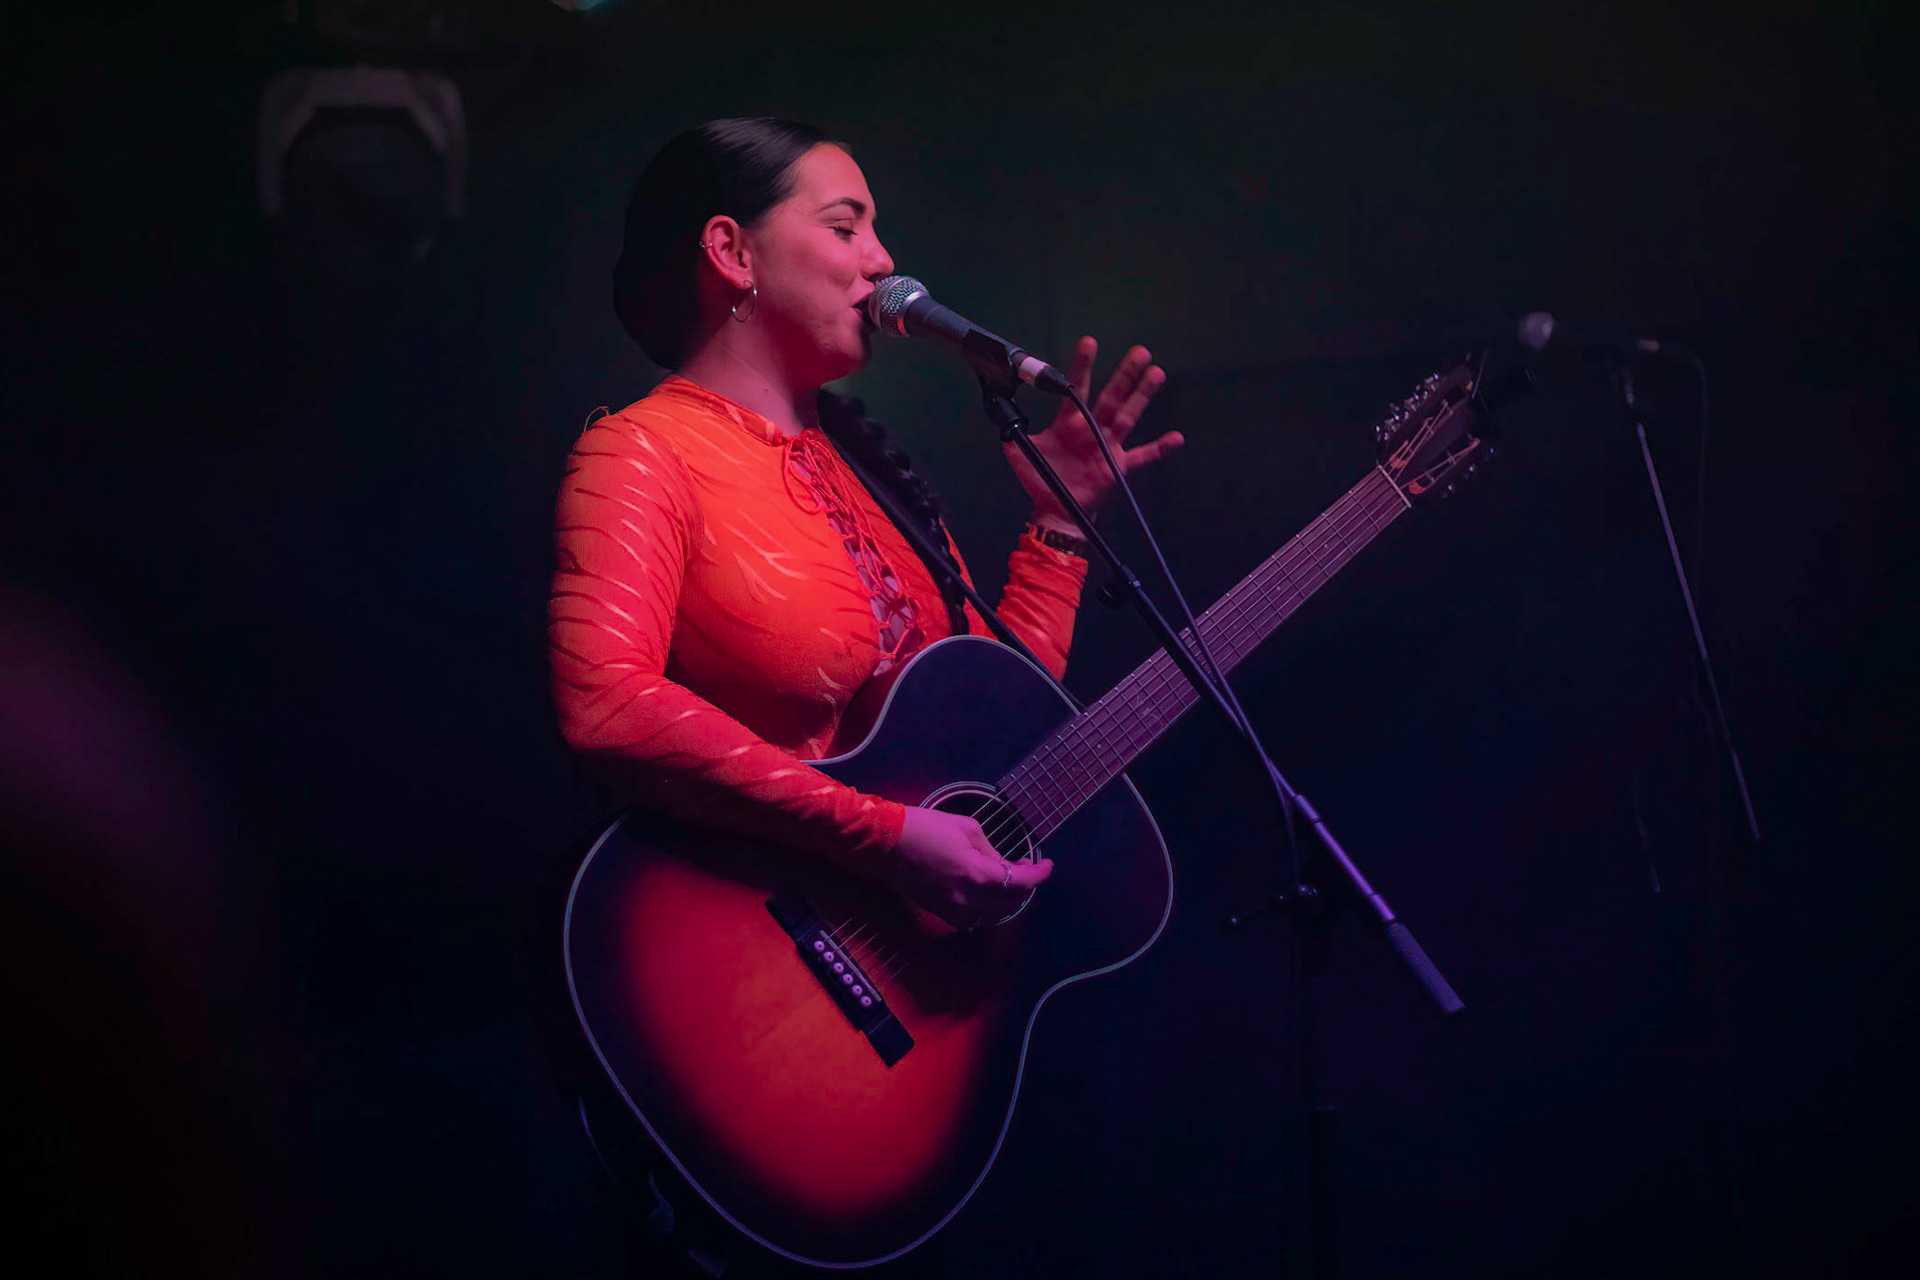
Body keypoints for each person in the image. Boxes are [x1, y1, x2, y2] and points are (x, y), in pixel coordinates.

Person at [548, 117, 1181, 935]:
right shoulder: (639, 452)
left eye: (874, 232)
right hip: (751, 956)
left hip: (900, 956)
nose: (884, 261)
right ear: (732, 252)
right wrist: (883, 835)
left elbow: (992, 718)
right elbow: (605, 704)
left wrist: (1060, 526)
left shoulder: (871, 469)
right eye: (846, 228)